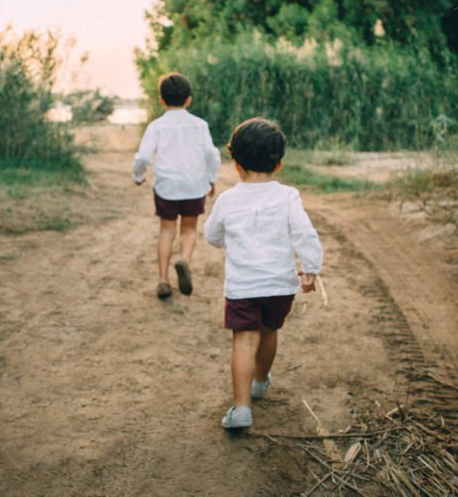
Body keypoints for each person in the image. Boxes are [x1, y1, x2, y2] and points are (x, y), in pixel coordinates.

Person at [204, 117, 323, 429]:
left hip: (243, 287)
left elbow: (213, 235)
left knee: (244, 341)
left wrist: (225, 238)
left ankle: (241, 408)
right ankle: (260, 380)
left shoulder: (228, 200)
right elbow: (304, 232)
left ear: (236, 163)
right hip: (280, 286)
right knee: (270, 332)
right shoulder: (288, 196)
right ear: (279, 164)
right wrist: (311, 267)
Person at [133, 73, 221, 299]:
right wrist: (211, 178)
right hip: (194, 184)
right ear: (189, 100)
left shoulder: (157, 126)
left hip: (167, 185)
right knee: (189, 228)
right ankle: (184, 260)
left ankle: (163, 280)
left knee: (167, 229)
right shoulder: (200, 125)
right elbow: (211, 154)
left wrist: (138, 175)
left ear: (162, 100)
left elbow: (143, 157)